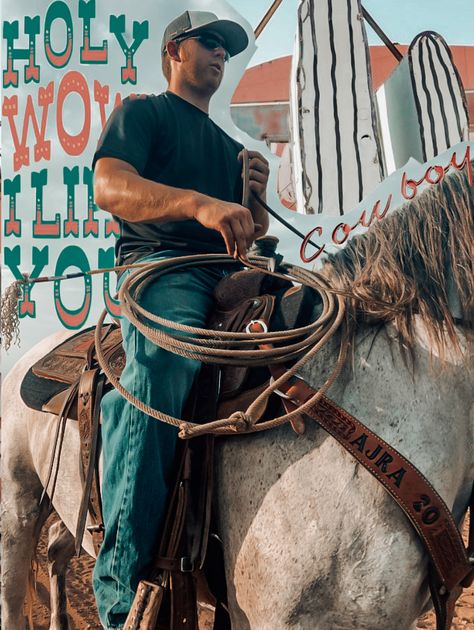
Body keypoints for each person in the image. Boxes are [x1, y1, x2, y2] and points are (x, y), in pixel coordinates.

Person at [91, 10, 269, 629]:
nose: (221, 54)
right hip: (160, 269)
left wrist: (256, 203)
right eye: (209, 43)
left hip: (223, 277)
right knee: (163, 364)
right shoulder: (142, 114)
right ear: (174, 50)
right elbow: (110, 187)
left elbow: (248, 235)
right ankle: (119, 591)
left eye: (227, 48)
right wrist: (197, 202)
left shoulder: (229, 147)